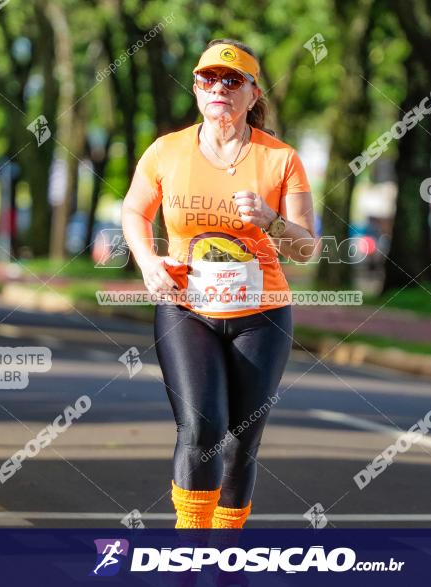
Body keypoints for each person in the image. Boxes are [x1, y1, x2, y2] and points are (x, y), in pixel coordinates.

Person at [121, 39, 317, 529]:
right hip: (186, 310)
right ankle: (190, 550)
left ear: (253, 94)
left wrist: (272, 221)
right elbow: (133, 210)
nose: (220, 88)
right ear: (195, 88)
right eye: (209, 78)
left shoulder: (281, 159)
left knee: (242, 440)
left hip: (262, 316)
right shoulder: (167, 151)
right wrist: (147, 261)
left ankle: (227, 556)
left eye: (233, 80)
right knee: (201, 426)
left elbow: (307, 246)